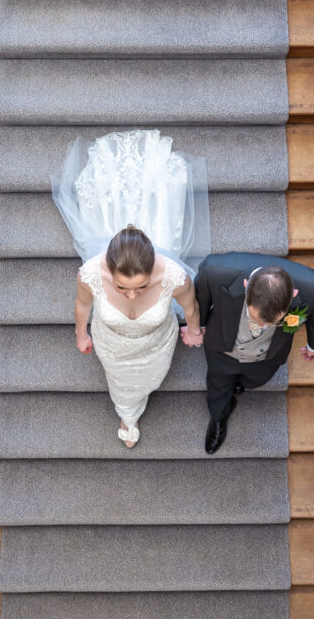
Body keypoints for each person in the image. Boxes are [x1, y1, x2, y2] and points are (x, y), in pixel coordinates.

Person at [51, 129, 211, 448]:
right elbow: (83, 306)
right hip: (112, 346)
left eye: (141, 286)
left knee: (152, 375)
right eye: (123, 288)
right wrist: (82, 334)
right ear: (108, 271)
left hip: (156, 345)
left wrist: (193, 331)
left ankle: (139, 398)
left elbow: (191, 308)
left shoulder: (175, 277)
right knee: (122, 384)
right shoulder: (90, 274)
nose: (132, 296)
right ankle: (127, 412)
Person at [194, 252, 314, 454]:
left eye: (269, 322)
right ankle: (218, 418)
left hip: (267, 357)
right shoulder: (215, 271)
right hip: (224, 349)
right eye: (255, 317)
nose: (259, 326)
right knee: (218, 386)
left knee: (257, 379)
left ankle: (241, 385)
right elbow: (201, 299)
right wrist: (200, 325)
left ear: (293, 295)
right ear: (245, 285)